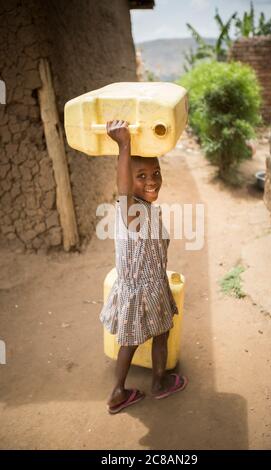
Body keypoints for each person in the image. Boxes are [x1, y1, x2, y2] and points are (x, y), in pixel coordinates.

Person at [100, 120, 188, 414]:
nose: (152, 180)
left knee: (145, 337)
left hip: (151, 285)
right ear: (128, 178)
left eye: (156, 173)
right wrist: (124, 145)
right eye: (141, 176)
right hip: (141, 289)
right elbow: (124, 191)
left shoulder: (146, 209)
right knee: (138, 339)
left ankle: (131, 388)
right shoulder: (131, 212)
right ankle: (142, 387)